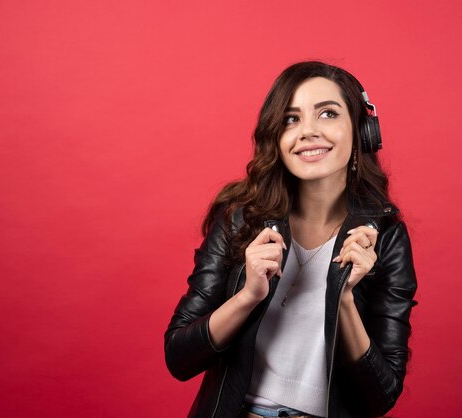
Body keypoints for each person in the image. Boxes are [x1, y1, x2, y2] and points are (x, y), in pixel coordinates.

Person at [164, 61, 418, 418]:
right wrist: (248, 296)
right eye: (291, 119)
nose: (307, 132)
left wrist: (343, 298)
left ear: (362, 132)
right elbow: (179, 357)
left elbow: (380, 398)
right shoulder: (240, 218)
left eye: (327, 114)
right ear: (276, 139)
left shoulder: (386, 239)